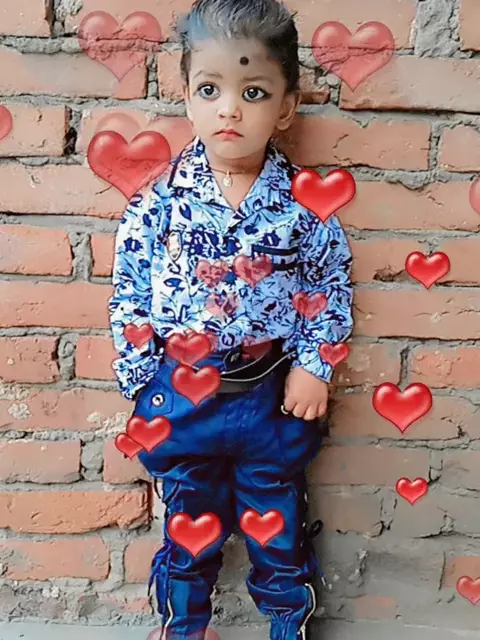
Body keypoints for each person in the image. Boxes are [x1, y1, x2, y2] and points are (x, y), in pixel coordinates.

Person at [107, 0, 354, 638]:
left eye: (253, 92)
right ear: (187, 99)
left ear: (286, 107)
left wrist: (313, 365)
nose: (230, 110)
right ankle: (183, 625)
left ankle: (288, 622)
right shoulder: (159, 203)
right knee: (189, 525)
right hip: (181, 392)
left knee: (276, 522)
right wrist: (140, 376)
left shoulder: (304, 205)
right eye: (210, 90)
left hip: (270, 393)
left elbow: (328, 284)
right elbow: (129, 293)